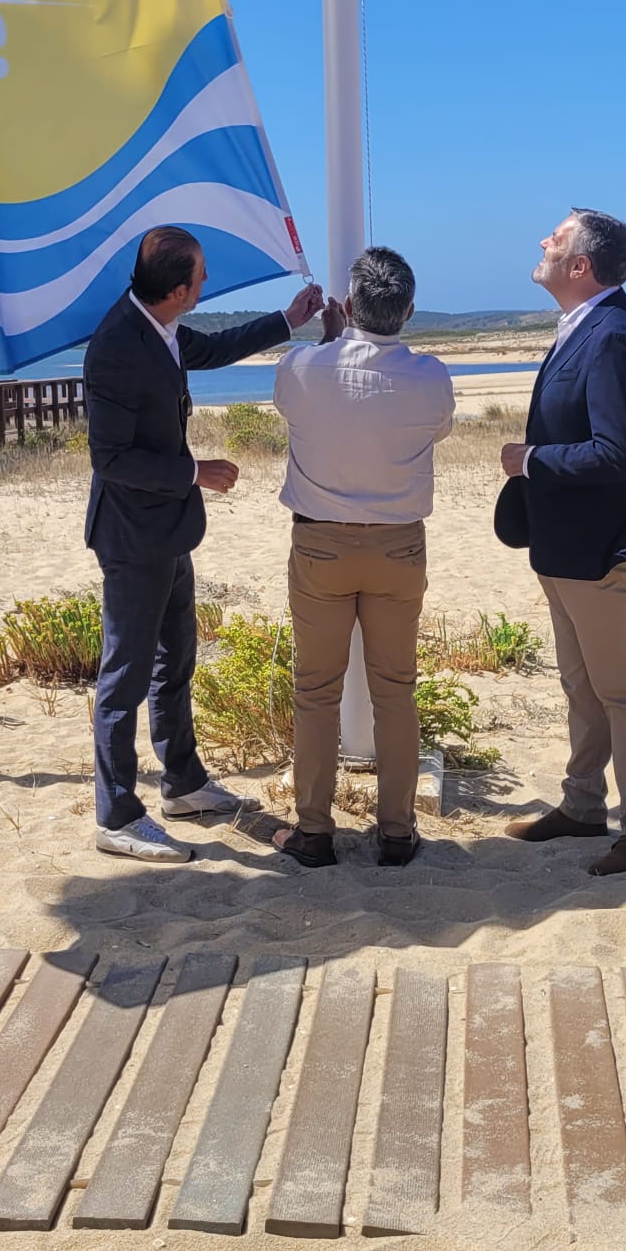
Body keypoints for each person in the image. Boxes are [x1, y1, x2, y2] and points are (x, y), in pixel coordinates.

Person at [84, 226, 324, 862]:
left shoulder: (159, 326)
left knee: (176, 659)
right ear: (178, 288)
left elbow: (212, 350)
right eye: (201, 274)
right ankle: (117, 816)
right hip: (133, 537)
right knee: (124, 676)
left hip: (169, 531)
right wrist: (197, 472)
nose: (208, 281)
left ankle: (182, 783)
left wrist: (286, 320)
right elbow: (110, 459)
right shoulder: (116, 345)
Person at [269, 246, 455, 868]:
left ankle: (314, 830)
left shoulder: (300, 368)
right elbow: (435, 428)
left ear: (349, 306)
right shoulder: (430, 375)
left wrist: (327, 342)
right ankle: (397, 832)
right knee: (395, 689)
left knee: (316, 690)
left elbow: (299, 401)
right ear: (407, 310)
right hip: (398, 545)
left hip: (320, 542)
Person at [498, 209, 626, 874]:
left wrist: (533, 460)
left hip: (602, 545)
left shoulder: (617, 336)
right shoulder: (584, 326)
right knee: (582, 686)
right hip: (563, 545)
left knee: (621, 690)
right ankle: (582, 806)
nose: (542, 240)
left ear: (581, 266)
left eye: (556, 237)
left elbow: (617, 455)